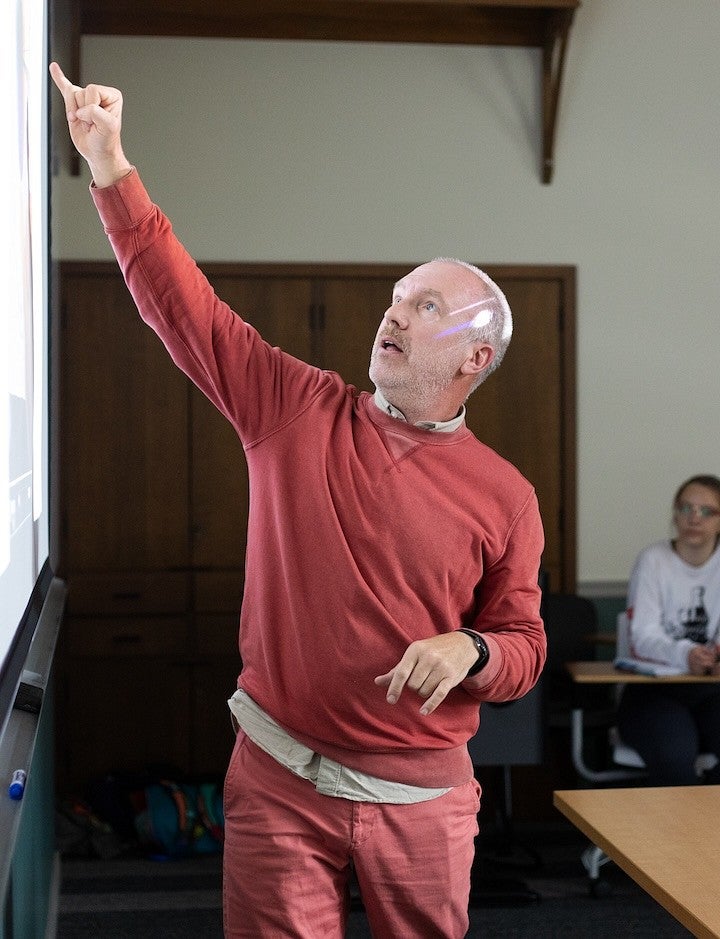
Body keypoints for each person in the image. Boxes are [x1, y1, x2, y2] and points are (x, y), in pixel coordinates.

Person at [50, 62, 546, 938]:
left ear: (475, 358)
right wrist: (110, 163)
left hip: (421, 800)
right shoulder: (296, 408)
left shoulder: (505, 494)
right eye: (395, 298)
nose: (391, 314)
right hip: (277, 774)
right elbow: (182, 307)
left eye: (424, 306)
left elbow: (524, 646)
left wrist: (471, 649)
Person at [617, 474, 720, 786]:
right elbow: (643, 637)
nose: (693, 518)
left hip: (712, 689)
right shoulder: (653, 560)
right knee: (675, 758)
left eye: (706, 511)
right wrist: (686, 654)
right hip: (654, 691)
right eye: (685, 508)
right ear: (674, 515)